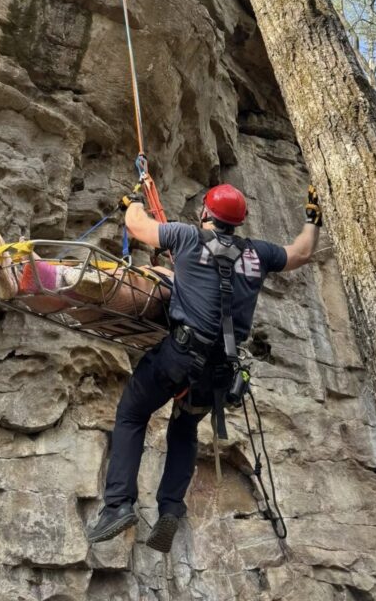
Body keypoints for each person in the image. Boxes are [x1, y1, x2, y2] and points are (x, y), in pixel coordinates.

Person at [86, 183, 323, 552]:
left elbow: (137, 226)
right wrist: (312, 219)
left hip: (179, 355)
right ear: (239, 222)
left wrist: (131, 202)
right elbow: (302, 252)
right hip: (220, 371)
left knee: (132, 413)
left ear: (205, 214)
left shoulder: (185, 236)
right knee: (183, 429)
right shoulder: (258, 254)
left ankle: (118, 505)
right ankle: (170, 509)